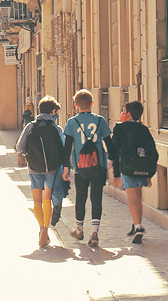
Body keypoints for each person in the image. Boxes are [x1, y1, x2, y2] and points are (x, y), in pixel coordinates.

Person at [62, 89, 115, 247]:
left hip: (80, 166)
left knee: (81, 197)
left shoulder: (72, 122)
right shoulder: (100, 120)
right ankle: (94, 232)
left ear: (76, 105)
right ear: (92, 104)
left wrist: (66, 167)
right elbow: (109, 144)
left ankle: (79, 229)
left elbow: (67, 147)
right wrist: (111, 161)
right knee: (96, 198)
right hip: (98, 165)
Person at [15, 96, 64, 247]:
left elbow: (19, 147)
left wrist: (28, 155)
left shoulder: (31, 126)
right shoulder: (56, 129)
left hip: (34, 167)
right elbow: (63, 148)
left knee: (36, 200)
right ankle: (46, 230)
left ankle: (41, 227)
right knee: (46, 198)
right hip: (51, 169)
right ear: (53, 111)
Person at [110, 100, 159, 244]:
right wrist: (149, 175)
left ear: (128, 114)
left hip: (128, 167)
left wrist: (116, 173)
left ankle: (138, 227)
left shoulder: (120, 128)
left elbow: (114, 151)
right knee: (138, 197)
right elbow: (153, 151)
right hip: (144, 167)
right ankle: (136, 223)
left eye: (124, 110)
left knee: (132, 198)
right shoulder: (144, 129)